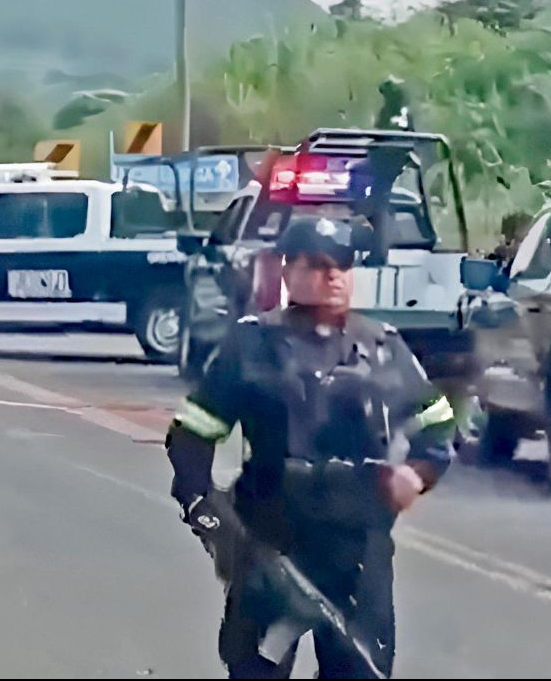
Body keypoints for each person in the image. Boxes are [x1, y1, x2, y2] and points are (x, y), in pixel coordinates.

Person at [166, 216, 455, 679]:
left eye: (343, 264)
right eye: (320, 265)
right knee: (256, 669)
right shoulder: (251, 345)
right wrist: (213, 516)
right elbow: (191, 436)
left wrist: (416, 475)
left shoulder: (383, 349)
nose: (334, 275)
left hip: (357, 550)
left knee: (361, 672)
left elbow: (438, 429)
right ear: (288, 272)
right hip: (272, 542)